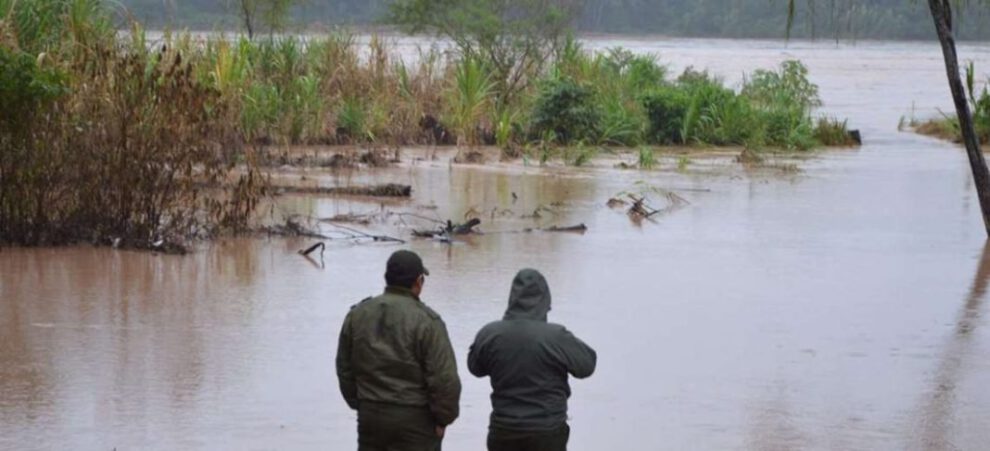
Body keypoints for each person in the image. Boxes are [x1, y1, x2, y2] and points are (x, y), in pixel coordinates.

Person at [336, 250, 461, 451]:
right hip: (417, 421)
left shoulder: (357, 315)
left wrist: (361, 405)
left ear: (387, 279)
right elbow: (444, 379)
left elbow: (344, 368)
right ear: (419, 282)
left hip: (371, 417)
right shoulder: (428, 321)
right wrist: (443, 420)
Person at [468, 268, 597, 451]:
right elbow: (587, 366)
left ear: (512, 299)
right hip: (547, 429)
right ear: (545, 301)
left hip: (504, 428)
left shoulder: (490, 334)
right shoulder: (556, 336)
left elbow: (475, 368)